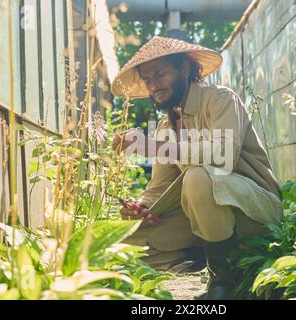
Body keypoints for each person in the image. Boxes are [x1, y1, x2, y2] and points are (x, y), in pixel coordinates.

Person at [111, 36, 283, 300]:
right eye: (147, 79)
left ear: (185, 69)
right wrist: (141, 207)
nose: (154, 84)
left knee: (197, 177)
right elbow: (159, 187)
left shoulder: (220, 99)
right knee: (121, 244)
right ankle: (212, 256)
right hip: (209, 218)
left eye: (160, 74)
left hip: (256, 215)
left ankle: (222, 282)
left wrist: (154, 146)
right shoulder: (166, 126)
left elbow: (222, 156)